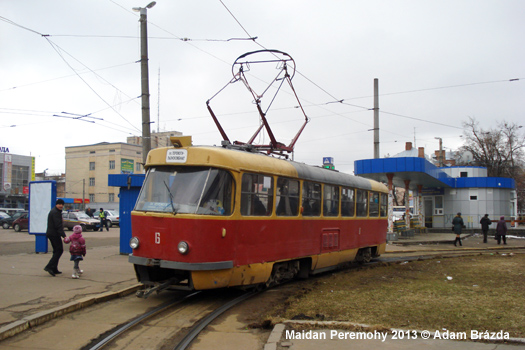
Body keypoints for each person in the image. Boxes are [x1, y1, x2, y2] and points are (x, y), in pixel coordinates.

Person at [44, 199, 66, 276]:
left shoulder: (55, 211)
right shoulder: (55, 213)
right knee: (59, 250)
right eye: (59, 204)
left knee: (56, 251)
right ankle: (49, 266)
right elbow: (58, 226)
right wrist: (64, 236)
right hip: (54, 234)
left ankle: (54, 268)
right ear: (56, 205)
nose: (61, 206)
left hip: (52, 234)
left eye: (62, 204)